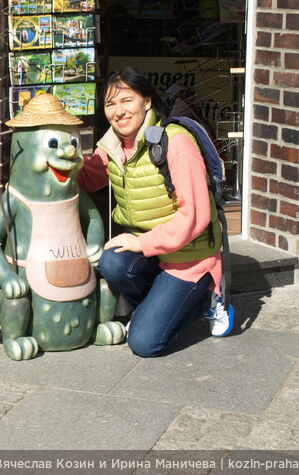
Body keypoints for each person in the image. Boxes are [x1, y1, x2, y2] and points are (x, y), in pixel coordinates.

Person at [78, 66, 233, 357]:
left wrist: (140, 243)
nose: (118, 111)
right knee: (112, 262)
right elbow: (89, 178)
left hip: (189, 256)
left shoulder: (174, 142)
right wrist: (61, 158)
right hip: (152, 252)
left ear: (146, 101)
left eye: (127, 100)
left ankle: (206, 297)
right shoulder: (112, 147)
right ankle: (158, 303)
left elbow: (196, 216)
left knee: (145, 344)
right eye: (110, 104)